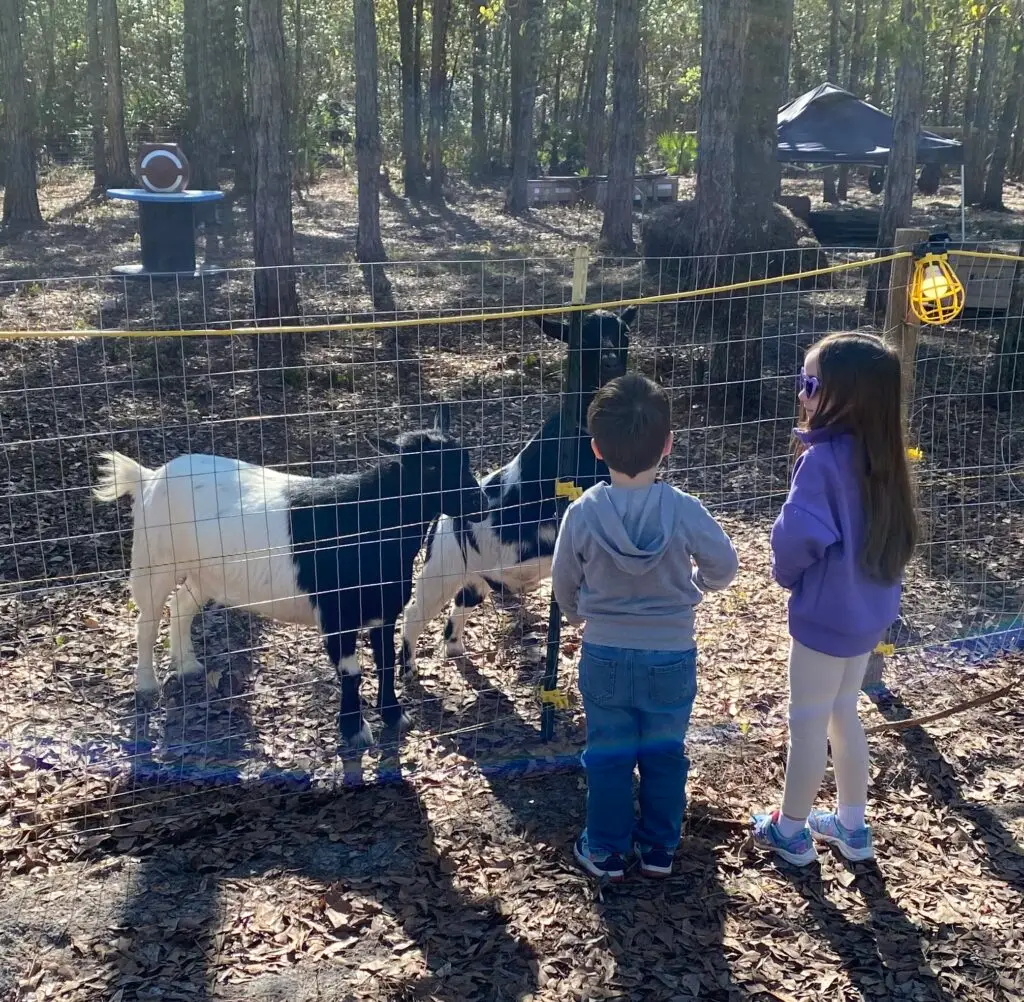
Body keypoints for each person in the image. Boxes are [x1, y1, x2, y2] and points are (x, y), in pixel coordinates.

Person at [551, 373, 738, 881]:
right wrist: (695, 585)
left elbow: (563, 582)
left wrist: (577, 614)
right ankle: (659, 847)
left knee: (608, 753)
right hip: (672, 654)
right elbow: (726, 566)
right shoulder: (684, 510)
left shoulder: (582, 512)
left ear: (595, 448)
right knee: (664, 752)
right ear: (669, 444)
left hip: (605, 652)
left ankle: (606, 849)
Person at [752, 332, 918, 865]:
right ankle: (851, 825)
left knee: (807, 723)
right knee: (843, 711)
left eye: (810, 384)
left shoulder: (822, 461)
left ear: (843, 396)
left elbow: (797, 536)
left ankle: (792, 830)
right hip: (867, 618)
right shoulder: (886, 457)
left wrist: (785, 571)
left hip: (825, 619)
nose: (801, 395)